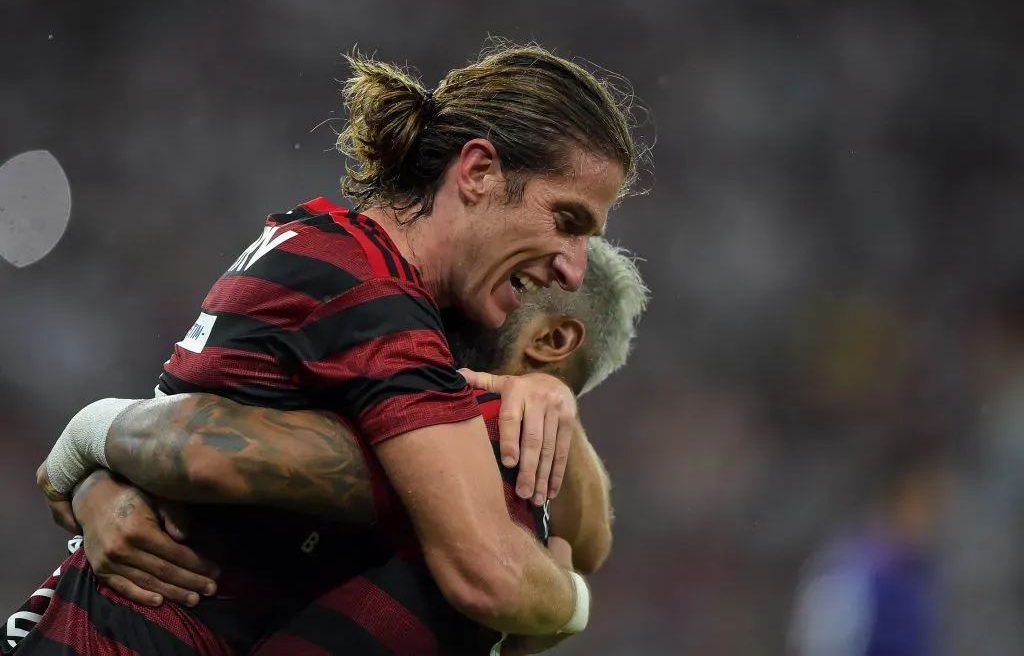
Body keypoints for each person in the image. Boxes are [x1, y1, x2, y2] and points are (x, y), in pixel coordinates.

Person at [27, 40, 642, 654]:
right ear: (479, 172)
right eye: (567, 220)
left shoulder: (337, 250)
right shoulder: (368, 292)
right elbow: (200, 445)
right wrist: (565, 600)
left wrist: (88, 461)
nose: (572, 267)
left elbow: (584, 540)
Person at [8, 238, 648, 655]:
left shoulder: (470, 445)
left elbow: (203, 450)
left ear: (553, 339)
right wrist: (96, 465)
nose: (463, 285)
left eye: (517, 280)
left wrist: (92, 440)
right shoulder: (384, 373)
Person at [787, 437, 951, 656]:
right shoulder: (853, 572)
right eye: (924, 507)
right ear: (895, 502)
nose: (932, 521)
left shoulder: (918, 572)